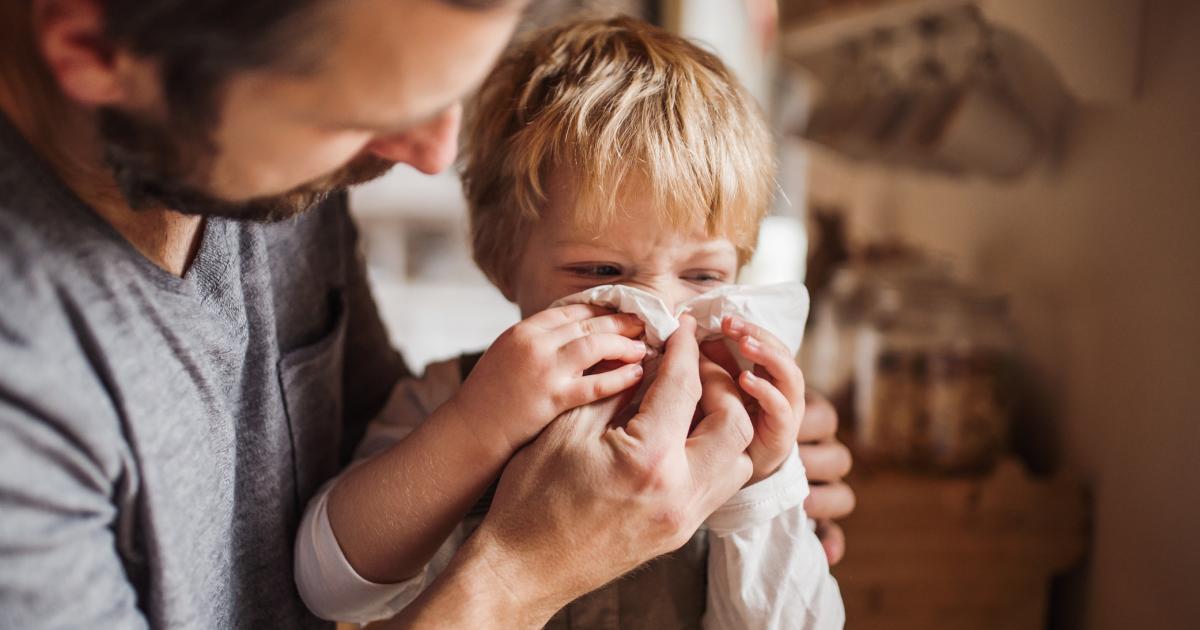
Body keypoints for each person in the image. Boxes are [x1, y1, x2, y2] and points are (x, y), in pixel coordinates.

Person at [0, 1, 854, 628]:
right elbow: (332, 568)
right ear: (92, 50)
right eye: (360, 110)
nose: (435, 156)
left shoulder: (275, 173)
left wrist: (766, 488)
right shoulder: (25, 400)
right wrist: (525, 563)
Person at [294, 16, 844, 629]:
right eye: (601, 270)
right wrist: (479, 425)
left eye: (704, 278)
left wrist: (763, 485)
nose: (660, 317)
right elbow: (329, 589)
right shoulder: (452, 398)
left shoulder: (729, 427)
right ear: (503, 262)